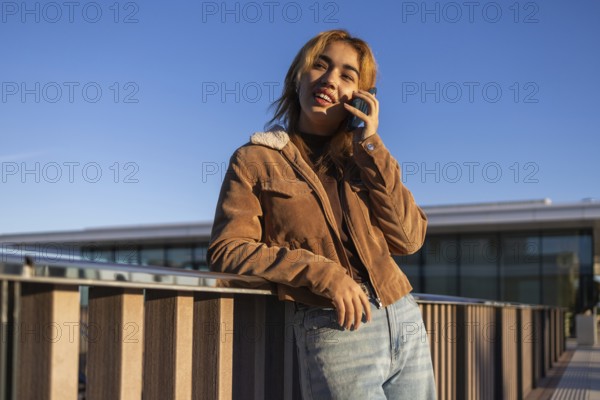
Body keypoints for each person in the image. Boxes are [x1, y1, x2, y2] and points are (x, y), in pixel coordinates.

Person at [208, 29, 436, 399]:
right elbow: (228, 251)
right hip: (337, 324)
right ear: (298, 76)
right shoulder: (255, 159)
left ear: (361, 96)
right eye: (320, 65)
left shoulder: (365, 158)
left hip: (403, 316)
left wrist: (371, 145)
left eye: (348, 75)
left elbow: (409, 239)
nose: (330, 79)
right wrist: (323, 273)